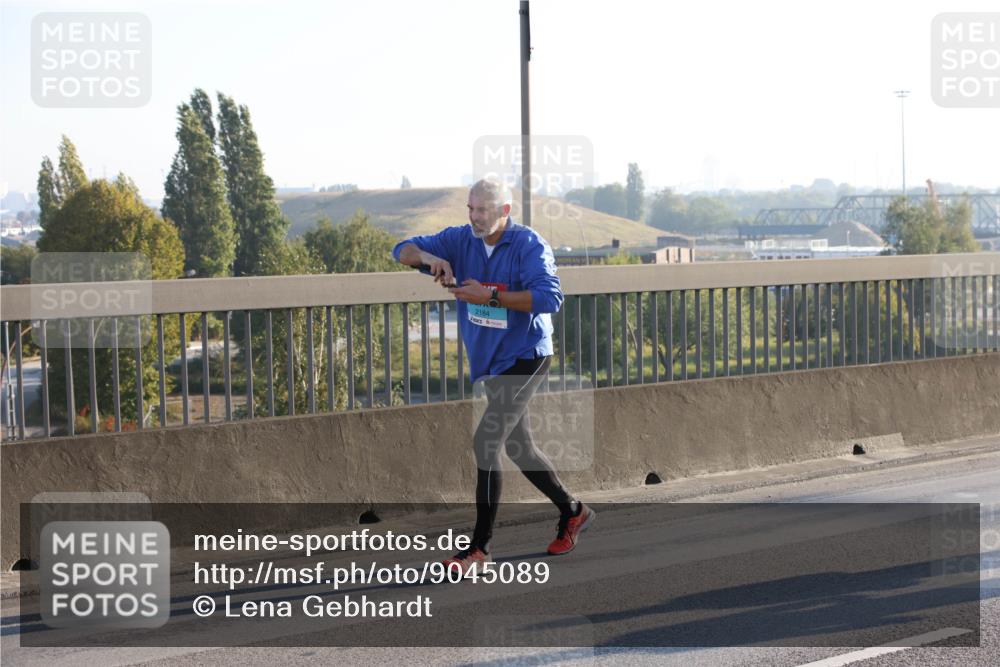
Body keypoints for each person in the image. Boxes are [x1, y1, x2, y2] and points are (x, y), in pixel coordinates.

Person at [392, 178, 594, 576]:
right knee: (519, 449)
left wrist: (491, 297)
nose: (474, 217)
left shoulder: (528, 245)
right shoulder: (460, 239)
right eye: (470, 208)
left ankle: (478, 549)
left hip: (527, 355)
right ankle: (573, 511)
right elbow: (401, 249)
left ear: (504, 211)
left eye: (482, 210)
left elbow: (550, 298)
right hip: (491, 362)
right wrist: (430, 259)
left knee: (486, 441)